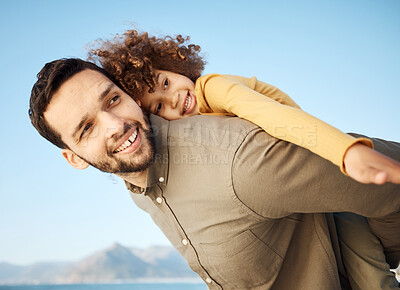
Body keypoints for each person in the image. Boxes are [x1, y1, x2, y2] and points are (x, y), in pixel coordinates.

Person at [29, 58, 400, 289]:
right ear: (74, 158)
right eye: (87, 129)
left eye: (112, 100)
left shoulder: (240, 161)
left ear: (126, 93)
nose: (115, 125)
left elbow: (390, 184)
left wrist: (371, 252)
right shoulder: (136, 175)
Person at [88, 29, 400, 186]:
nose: (172, 100)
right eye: (158, 106)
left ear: (174, 66)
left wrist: (349, 152)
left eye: (166, 84)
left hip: (320, 153)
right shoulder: (196, 128)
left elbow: (275, 117)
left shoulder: (214, 88)